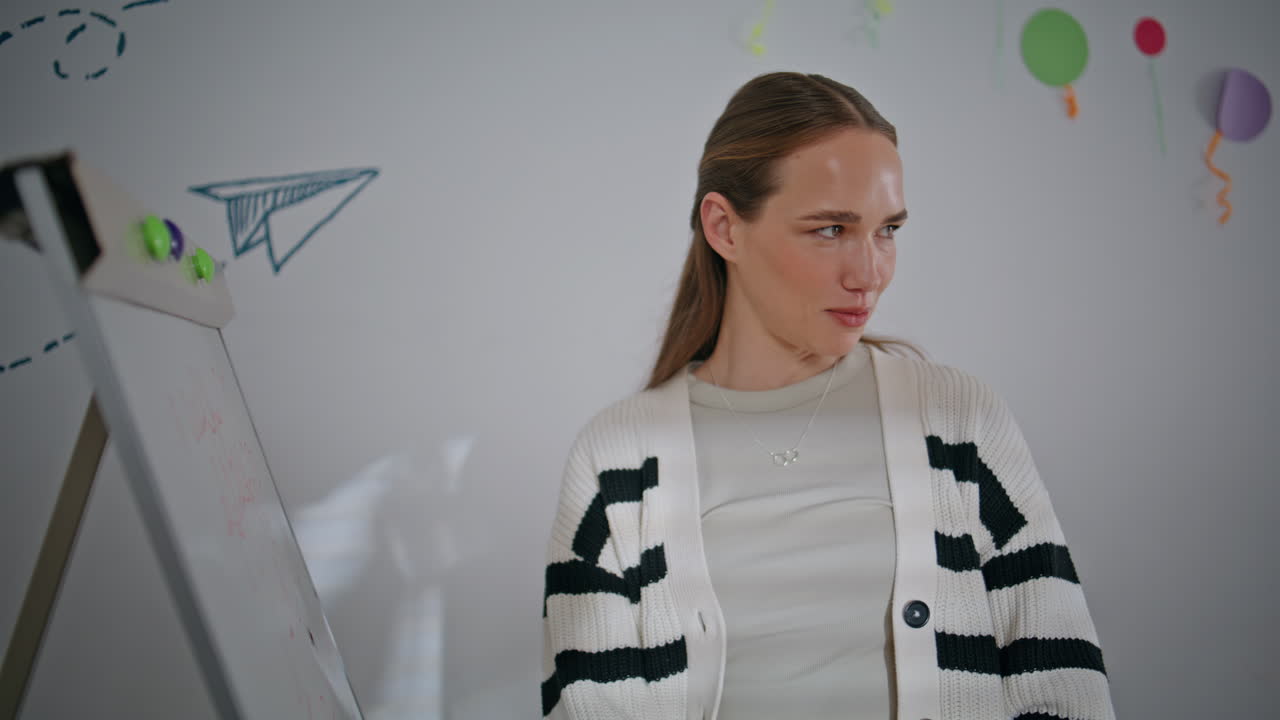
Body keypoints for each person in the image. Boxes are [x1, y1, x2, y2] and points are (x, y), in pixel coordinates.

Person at [540, 71, 1115, 720]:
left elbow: (1065, 688)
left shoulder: (958, 423)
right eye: (831, 229)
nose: (869, 272)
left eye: (887, 230)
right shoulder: (617, 460)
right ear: (725, 228)